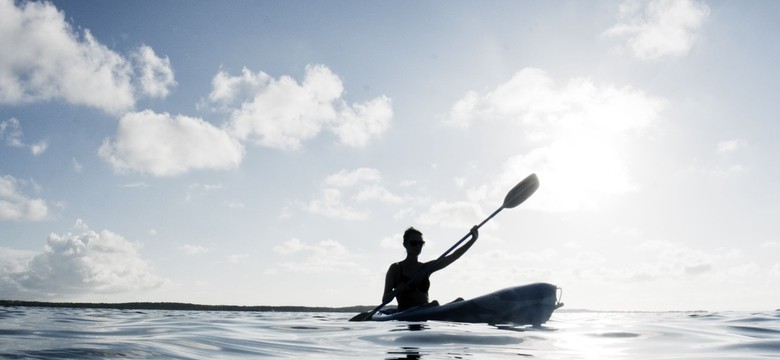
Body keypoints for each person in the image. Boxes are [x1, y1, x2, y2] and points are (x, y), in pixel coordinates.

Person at [382, 225, 479, 311]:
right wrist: (396, 291)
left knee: (460, 301)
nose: (418, 246)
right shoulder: (395, 268)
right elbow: (385, 299)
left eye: (421, 243)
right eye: (413, 243)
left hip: (426, 312)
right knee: (435, 304)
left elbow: (453, 256)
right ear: (405, 244)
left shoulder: (426, 268)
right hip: (406, 314)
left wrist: (473, 239)